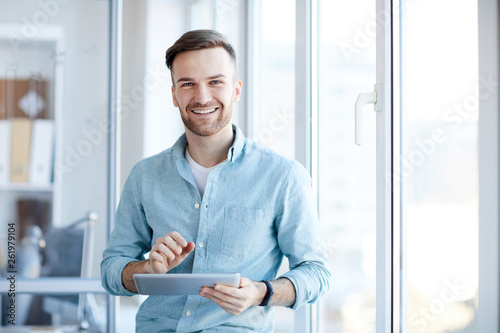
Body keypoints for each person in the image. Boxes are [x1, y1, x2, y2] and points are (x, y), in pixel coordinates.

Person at [101, 29, 331, 332]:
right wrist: (148, 269)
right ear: (174, 95)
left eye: (215, 82)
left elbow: (317, 273)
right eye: (188, 84)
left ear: (236, 90)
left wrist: (259, 293)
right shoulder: (145, 176)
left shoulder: (283, 177)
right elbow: (110, 271)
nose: (202, 96)